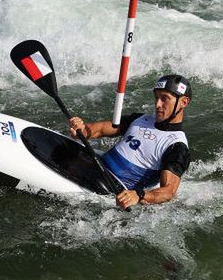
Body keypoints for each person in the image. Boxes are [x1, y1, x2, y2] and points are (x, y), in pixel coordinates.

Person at [68, 74, 192, 209]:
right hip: (97, 168)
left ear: (183, 102)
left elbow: (169, 192)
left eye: (165, 99)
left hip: (109, 192)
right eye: (156, 98)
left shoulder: (177, 146)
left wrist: (139, 195)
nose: (158, 104)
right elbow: (102, 129)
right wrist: (83, 130)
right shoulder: (140, 119)